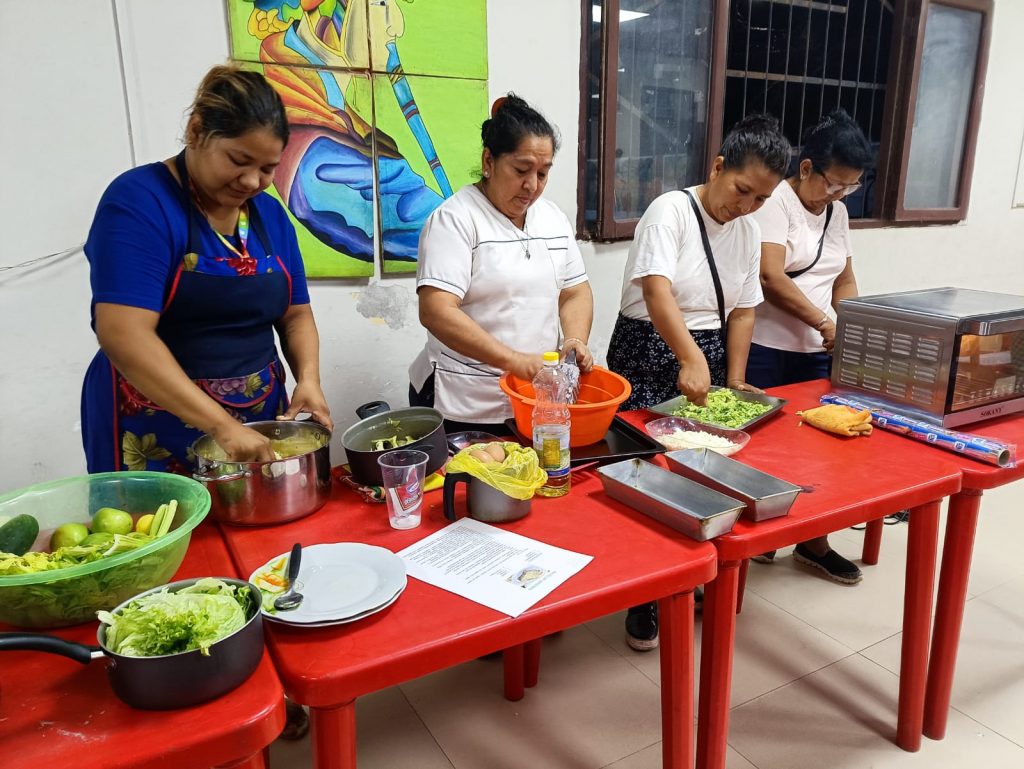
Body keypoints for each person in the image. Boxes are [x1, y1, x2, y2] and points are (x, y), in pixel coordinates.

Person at [80, 66, 332, 740]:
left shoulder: (268, 217)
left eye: (268, 166)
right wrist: (219, 424)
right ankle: (190, 712)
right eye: (238, 160)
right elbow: (124, 334)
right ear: (197, 132)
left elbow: (297, 312)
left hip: (260, 413)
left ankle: (277, 683)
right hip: (155, 425)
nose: (253, 181)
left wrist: (306, 378)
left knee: (264, 554)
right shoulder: (139, 203)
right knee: (171, 563)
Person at [606, 114, 791, 651]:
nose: (746, 206)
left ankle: (695, 575)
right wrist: (688, 357)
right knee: (645, 478)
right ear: (717, 167)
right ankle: (642, 597)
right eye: (741, 190)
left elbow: (744, 312)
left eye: (760, 199)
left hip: (705, 354)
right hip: (648, 348)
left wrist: (733, 379)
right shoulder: (670, 212)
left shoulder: (749, 231)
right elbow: (658, 291)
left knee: (702, 473)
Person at [409, 94, 594, 431]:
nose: (532, 185)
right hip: (466, 403)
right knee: (476, 482)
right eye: (521, 170)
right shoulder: (455, 220)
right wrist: (513, 360)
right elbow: (436, 310)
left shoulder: (551, 219)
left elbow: (574, 292)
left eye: (543, 173)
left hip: (534, 399)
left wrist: (575, 340)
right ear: (489, 161)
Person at [746, 109, 873, 585]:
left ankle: (813, 542)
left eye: (850, 188)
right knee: (766, 452)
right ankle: (759, 538)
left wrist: (853, 327)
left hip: (820, 350)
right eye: (834, 184)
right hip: (768, 348)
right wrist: (824, 321)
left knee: (823, 453)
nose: (839, 195)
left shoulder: (836, 213)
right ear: (806, 169)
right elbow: (770, 276)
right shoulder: (775, 202)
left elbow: (845, 277)